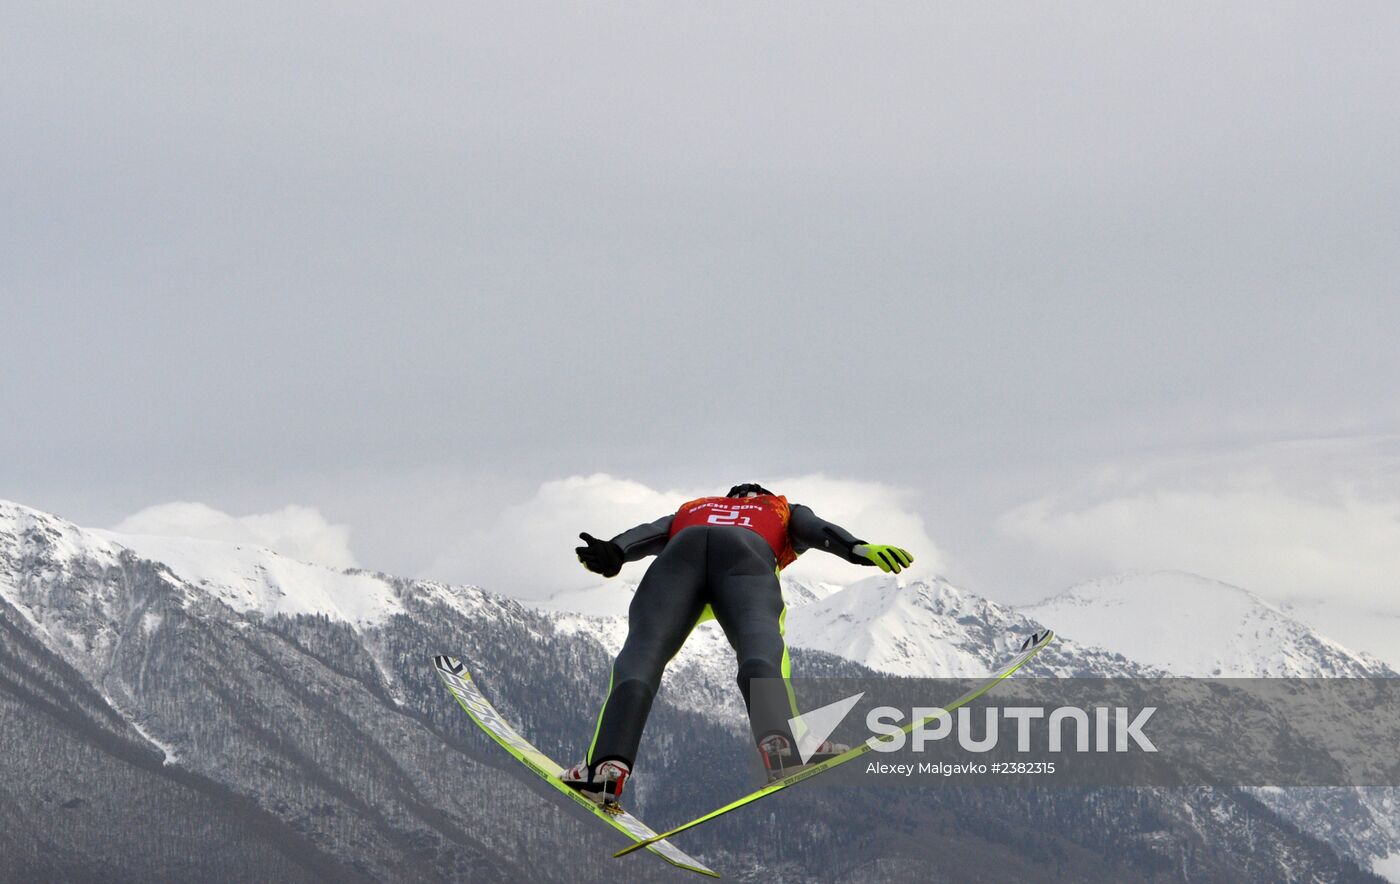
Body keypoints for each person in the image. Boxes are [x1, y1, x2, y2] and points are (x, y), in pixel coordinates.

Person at [561, 483, 914, 805]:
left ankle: (605, 769)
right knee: (760, 650)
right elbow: (818, 530)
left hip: (678, 560)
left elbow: (648, 533)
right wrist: (856, 549)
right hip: (746, 559)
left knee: (643, 655)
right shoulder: (780, 508)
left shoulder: (695, 507)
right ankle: (783, 747)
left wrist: (614, 551)